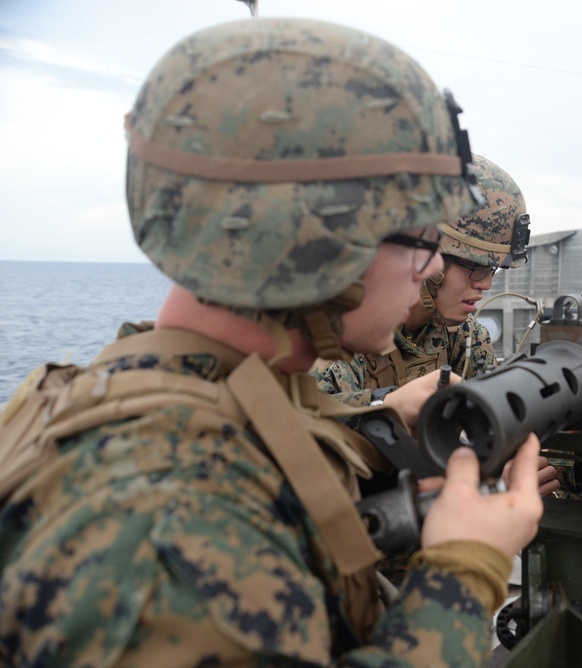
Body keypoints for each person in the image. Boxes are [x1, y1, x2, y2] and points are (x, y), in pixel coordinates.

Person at [0, 18, 543, 667]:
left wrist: (365, 438)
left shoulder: (166, 390)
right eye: (421, 238)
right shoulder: (170, 527)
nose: (430, 268)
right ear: (315, 243)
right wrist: (464, 569)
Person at [313, 154, 532, 428]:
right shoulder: (343, 345)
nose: (486, 283)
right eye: (476, 265)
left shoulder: (465, 338)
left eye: (493, 269)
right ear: (429, 252)